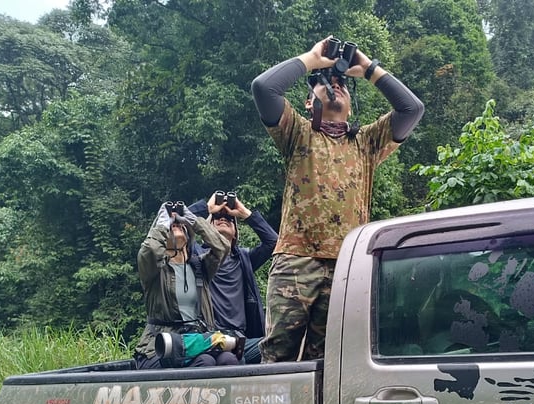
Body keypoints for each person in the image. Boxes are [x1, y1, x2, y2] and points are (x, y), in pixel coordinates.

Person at [251, 36, 424, 362]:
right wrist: (313, 60)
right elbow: (264, 88)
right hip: (295, 262)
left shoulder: (368, 142)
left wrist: (369, 68)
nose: (336, 85)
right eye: (324, 83)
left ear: (352, 104)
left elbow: (412, 109)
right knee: (277, 358)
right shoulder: (298, 132)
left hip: (347, 267)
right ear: (307, 103)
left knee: (330, 364)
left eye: (342, 83)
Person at [134, 202, 239, 369]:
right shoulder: (155, 270)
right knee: (206, 362)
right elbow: (150, 250)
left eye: (180, 226)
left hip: (196, 342)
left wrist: (192, 220)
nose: (175, 225)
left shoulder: (199, 267)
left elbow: (222, 247)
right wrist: (162, 222)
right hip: (160, 347)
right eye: (170, 226)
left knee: (229, 359)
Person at [187, 192, 278, 363]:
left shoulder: (244, 259)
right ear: (206, 229)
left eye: (229, 219)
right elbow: (179, 226)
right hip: (209, 337)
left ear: (235, 234)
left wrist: (245, 214)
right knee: (232, 360)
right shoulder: (196, 257)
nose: (223, 218)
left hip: (240, 338)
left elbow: (273, 242)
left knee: (277, 346)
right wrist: (207, 208)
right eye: (217, 218)